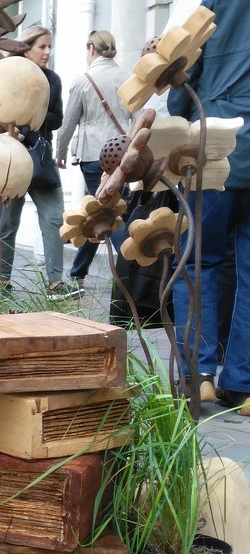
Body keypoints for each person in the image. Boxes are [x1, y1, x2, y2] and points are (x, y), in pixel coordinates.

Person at [168, 0, 250, 414]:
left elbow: (184, 73)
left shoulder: (218, 4)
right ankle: (243, 384)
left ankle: (198, 376)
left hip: (217, 145)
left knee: (199, 260)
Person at [0, 25, 72, 300]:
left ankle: (55, 284)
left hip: (41, 158)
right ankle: (2, 281)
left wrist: (29, 125)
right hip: (11, 158)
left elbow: (57, 119)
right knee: (7, 224)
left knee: (54, 219)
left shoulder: (53, 80)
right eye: (42, 46)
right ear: (26, 48)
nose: (47, 52)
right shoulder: (8, 76)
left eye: (49, 46)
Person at [55, 30, 132, 287]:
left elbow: (68, 123)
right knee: (100, 210)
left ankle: (132, 263)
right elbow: (139, 116)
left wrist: (60, 152)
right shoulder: (127, 77)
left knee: (105, 212)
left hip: (93, 156)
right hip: (123, 153)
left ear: (91, 49)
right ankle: (78, 271)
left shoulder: (83, 79)